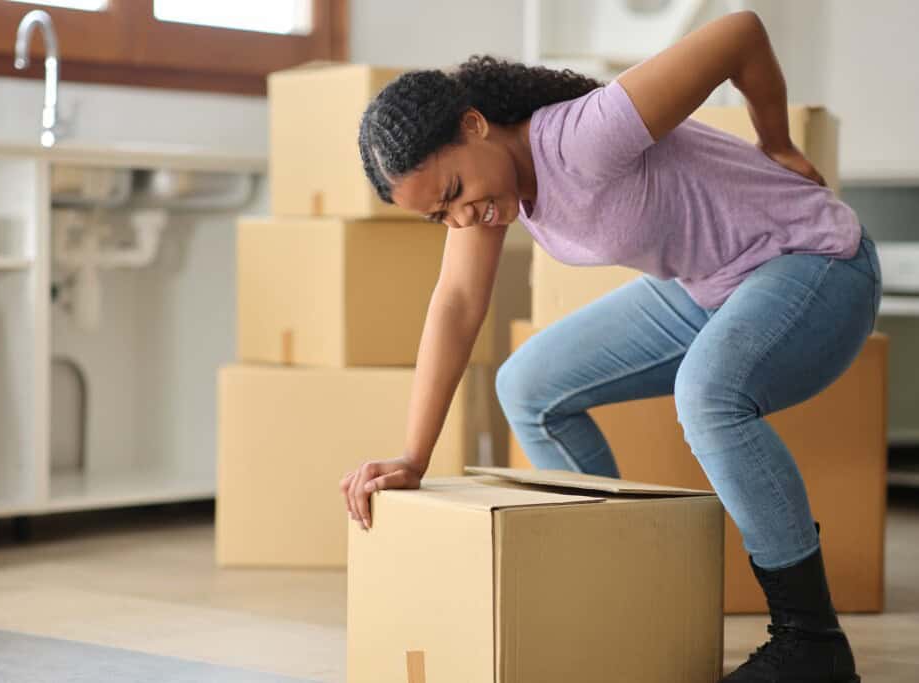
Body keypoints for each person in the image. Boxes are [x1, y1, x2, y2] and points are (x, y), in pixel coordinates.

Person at [340, 10, 878, 682]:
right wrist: (414, 456)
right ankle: (626, 601)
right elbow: (453, 306)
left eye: (454, 194)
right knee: (527, 387)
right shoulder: (493, 190)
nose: (461, 218)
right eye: (438, 215)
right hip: (713, 287)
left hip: (817, 262)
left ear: (474, 125)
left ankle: (811, 641)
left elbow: (740, 31)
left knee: (707, 397)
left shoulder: (585, 136)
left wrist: (777, 142)